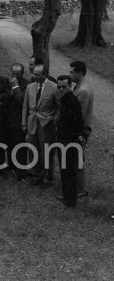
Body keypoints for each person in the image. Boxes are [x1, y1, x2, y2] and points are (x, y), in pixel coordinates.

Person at [22, 64, 59, 188]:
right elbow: (25, 107)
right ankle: (37, 174)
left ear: (45, 74)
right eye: (34, 74)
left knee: (47, 151)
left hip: (46, 125)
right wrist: (24, 123)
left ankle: (48, 177)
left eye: (38, 74)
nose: (35, 76)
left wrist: (53, 119)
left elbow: (59, 107)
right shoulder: (30, 87)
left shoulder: (54, 88)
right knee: (33, 149)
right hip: (32, 123)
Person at [55, 75, 87, 207]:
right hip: (64, 139)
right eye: (59, 87)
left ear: (69, 86)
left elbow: (78, 123)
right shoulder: (66, 99)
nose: (61, 89)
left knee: (68, 171)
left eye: (64, 87)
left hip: (68, 141)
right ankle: (67, 196)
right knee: (65, 170)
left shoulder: (72, 101)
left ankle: (70, 200)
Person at [70, 60, 94, 197]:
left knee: (76, 157)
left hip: (80, 131)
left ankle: (80, 189)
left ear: (79, 72)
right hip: (82, 129)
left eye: (72, 72)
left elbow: (80, 114)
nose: (70, 75)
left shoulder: (83, 90)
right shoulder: (84, 85)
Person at [7, 63, 30, 179]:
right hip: (9, 118)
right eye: (13, 74)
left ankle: (22, 170)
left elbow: (21, 100)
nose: (14, 76)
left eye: (17, 74)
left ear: (22, 74)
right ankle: (11, 165)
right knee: (9, 143)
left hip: (19, 119)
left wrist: (16, 86)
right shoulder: (8, 81)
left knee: (20, 145)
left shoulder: (26, 84)